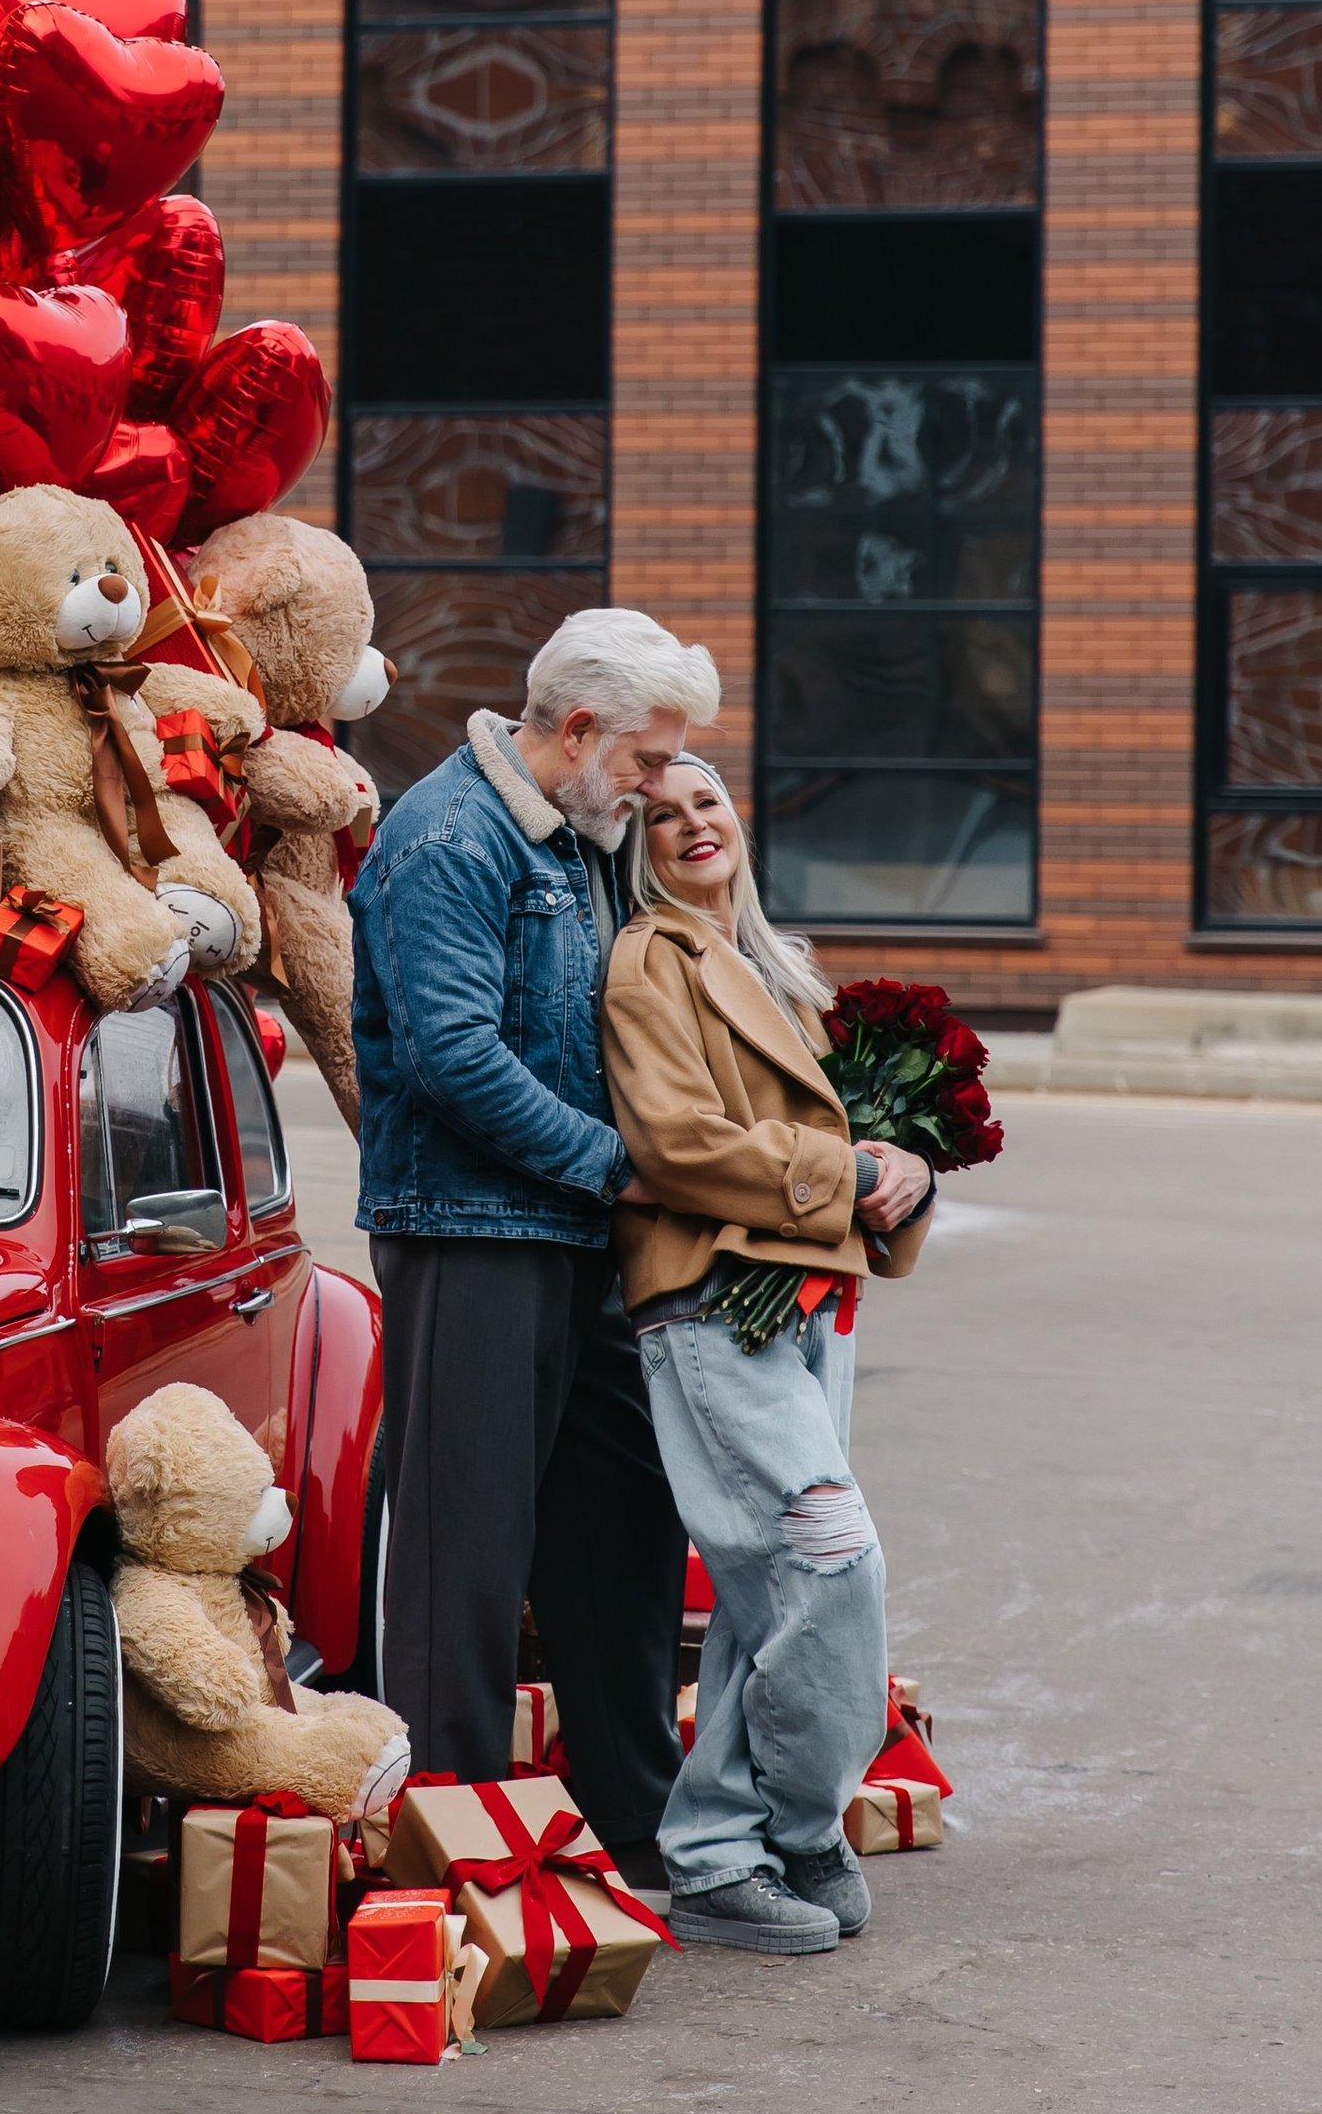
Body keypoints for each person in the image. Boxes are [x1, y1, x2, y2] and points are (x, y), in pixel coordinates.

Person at [348, 607, 721, 1873]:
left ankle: (639, 1827)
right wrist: (622, 1167)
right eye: (645, 759)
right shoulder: (447, 837)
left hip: (578, 1228)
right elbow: (452, 1059)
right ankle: (450, 1849)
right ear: (577, 729)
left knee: (623, 1529)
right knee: (463, 1556)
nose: (657, 784)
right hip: (472, 1230)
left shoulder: (581, 830)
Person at [602, 756, 935, 1956]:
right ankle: (793, 1826)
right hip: (710, 1302)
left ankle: (720, 1853)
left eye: (707, 803)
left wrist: (907, 1171)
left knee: (765, 1591)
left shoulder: (777, 967)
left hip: (807, 1299)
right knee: (831, 1559)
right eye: (661, 814)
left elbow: (842, 1131)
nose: (693, 824)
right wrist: (847, 1174)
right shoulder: (650, 957)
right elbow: (675, 1142)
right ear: (635, 847)